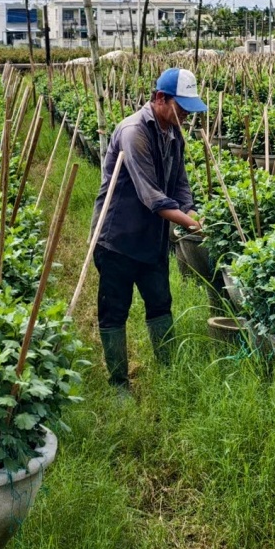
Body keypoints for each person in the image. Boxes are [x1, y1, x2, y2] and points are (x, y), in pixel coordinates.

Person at [91, 68, 205, 393]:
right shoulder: (133, 132)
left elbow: (180, 183)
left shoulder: (174, 132)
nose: (185, 115)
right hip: (118, 238)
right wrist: (190, 223)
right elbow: (150, 195)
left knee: (159, 303)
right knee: (115, 310)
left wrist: (190, 208)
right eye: (181, 107)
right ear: (159, 98)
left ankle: (169, 372)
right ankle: (118, 385)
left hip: (152, 237)